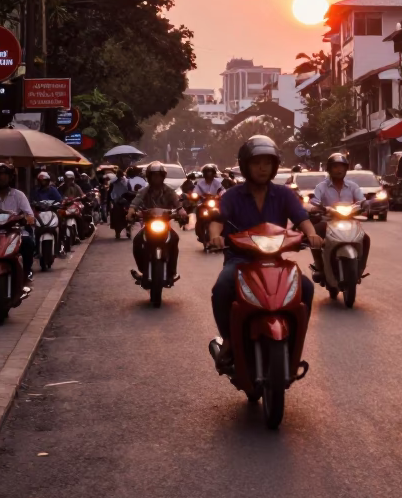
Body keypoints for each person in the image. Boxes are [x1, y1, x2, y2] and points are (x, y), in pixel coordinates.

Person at [208, 135, 322, 364]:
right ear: (245, 166)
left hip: (275, 261)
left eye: (267, 163)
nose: (262, 168)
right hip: (239, 260)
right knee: (221, 288)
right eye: (256, 163)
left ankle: (295, 340)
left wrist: (312, 234)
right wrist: (215, 237)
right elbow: (217, 220)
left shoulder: (284, 194)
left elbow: (301, 218)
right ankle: (229, 339)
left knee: (307, 288)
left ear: (274, 166)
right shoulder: (232, 196)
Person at [308, 152, 371, 282]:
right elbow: (314, 201)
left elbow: (361, 200)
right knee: (315, 236)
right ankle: (319, 266)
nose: (339, 169)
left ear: (346, 169)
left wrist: (365, 204)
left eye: (342, 166)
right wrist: (319, 207)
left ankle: (360, 268)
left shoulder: (353, 186)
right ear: (329, 169)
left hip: (349, 221)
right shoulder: (321, 187)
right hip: (327, 221)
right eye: (335, 166)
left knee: (366, 239)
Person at [128, 161, 187, 282]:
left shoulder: (169, 191)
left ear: (163, 177)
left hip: (165, 225)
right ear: (149, 177)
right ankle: (142, 269)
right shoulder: (144, 191)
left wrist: (182, 213)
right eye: (154, 175)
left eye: (159, 175)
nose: (156, 178)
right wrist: (131, 212)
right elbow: (135, 203)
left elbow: (178, 205)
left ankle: (172, 271)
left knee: (174, 239)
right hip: (148, 225)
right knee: (137, 241)